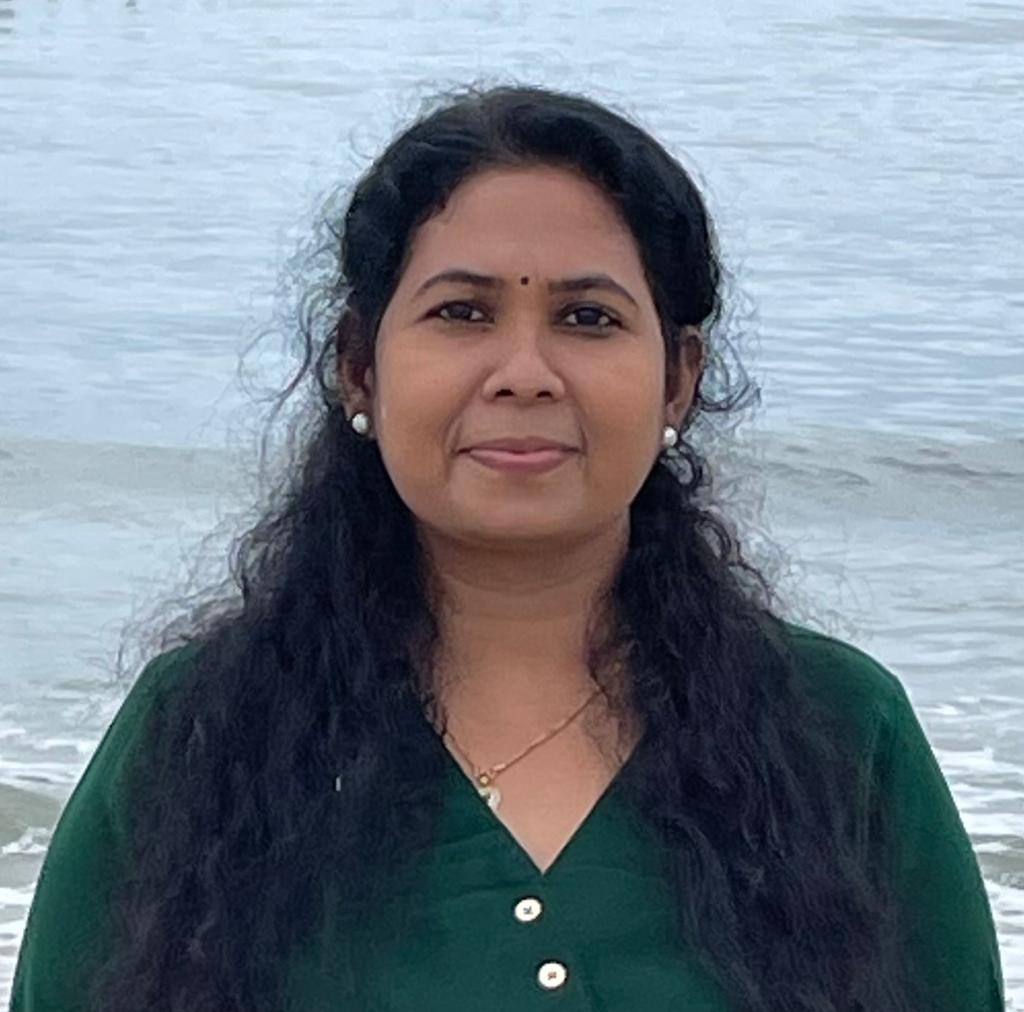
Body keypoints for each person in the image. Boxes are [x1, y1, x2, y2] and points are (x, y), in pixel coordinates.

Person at [10, 83, 1005, 1012]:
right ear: (359, 366)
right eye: (462, 313)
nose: (524, 371)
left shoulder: (836, 734)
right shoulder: (202, 734)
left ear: (678, 378)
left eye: (587, 317)